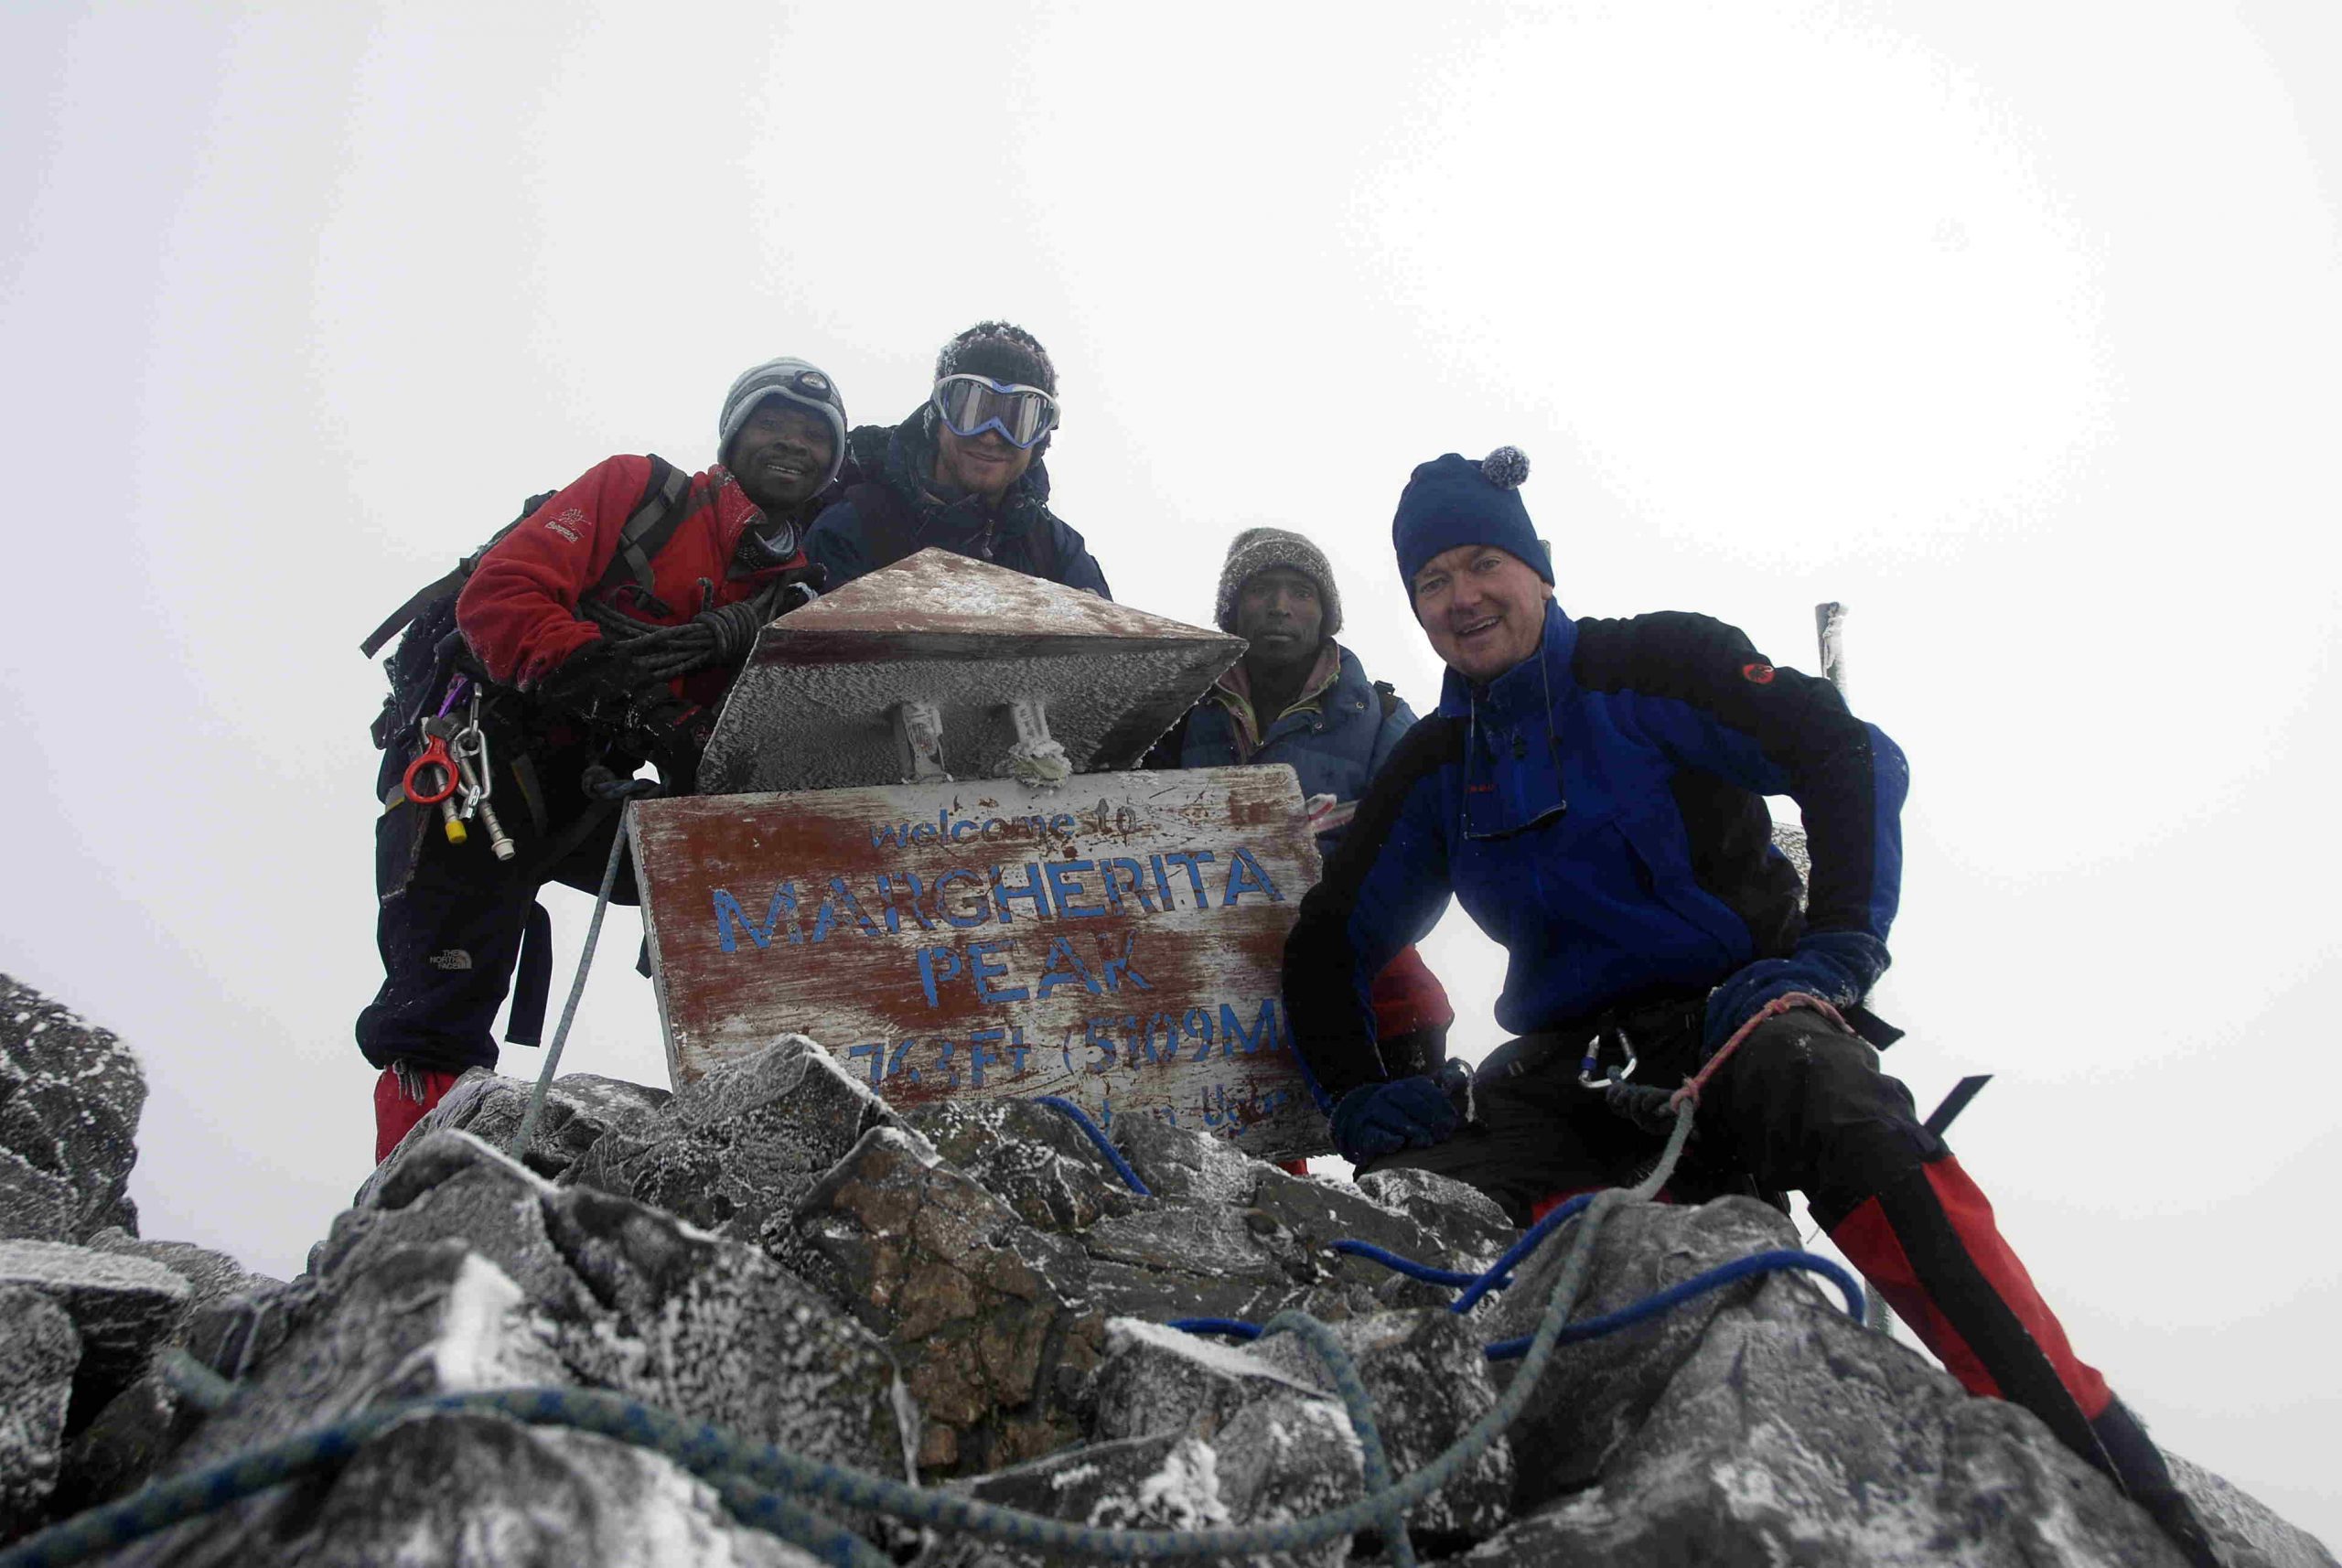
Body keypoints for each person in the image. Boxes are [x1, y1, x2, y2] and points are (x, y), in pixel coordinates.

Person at [1281, 446, 2220, 1564]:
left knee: (1833, 1103)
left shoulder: (1654, 664)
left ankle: (2112, 1482)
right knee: (1427, 1203)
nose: (1461, 597)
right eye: (1432, 581)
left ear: (1537, 568)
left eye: (1484, 563)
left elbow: (1843, 752)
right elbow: (1333, 938)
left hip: (1738, 1018)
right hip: (1572, 1070)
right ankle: (1499, 1488)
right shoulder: (1440, 762)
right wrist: (1357, 1098)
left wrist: (1834, 951)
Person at [358, 358, 847, 1163]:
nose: (792, 445)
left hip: (595, 790)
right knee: (439, 998)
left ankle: (744, 1131)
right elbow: (500, 596)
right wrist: (616, 686)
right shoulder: (638, 493)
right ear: (732, 437)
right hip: (479, 765)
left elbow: (741, 742)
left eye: (813, 438)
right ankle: (412, 1198)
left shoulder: (790, 597)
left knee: (731, 887)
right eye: (773, 426)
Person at [1147, 527, 1453, 1079]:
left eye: (1301, 592)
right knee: (1237, 1142)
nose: (1280, 608)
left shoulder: (1384, 719)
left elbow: (1428, 857)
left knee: (1416, 1136)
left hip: (1367, 969)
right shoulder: (1176, 716)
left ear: (1326, 615)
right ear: (1233, 611)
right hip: (1210, 966)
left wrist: (1342, 939)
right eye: (1262, 590)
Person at [805, 322, 1110, 596]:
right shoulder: (854, 526)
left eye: (1017, 420)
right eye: (971, 410)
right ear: (937, 418)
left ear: (1040, 438)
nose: (992, 436)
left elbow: (1106, 653)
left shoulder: (1055, 551)